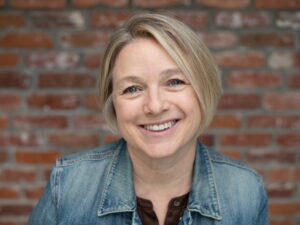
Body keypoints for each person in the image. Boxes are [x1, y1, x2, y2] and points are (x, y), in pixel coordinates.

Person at [27, 13, 269, 225]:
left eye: (174, 82)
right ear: (113, 103)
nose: (154, 106)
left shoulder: (245, 190)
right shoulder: (69, 185)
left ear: (203, 90)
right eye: (132, 88)